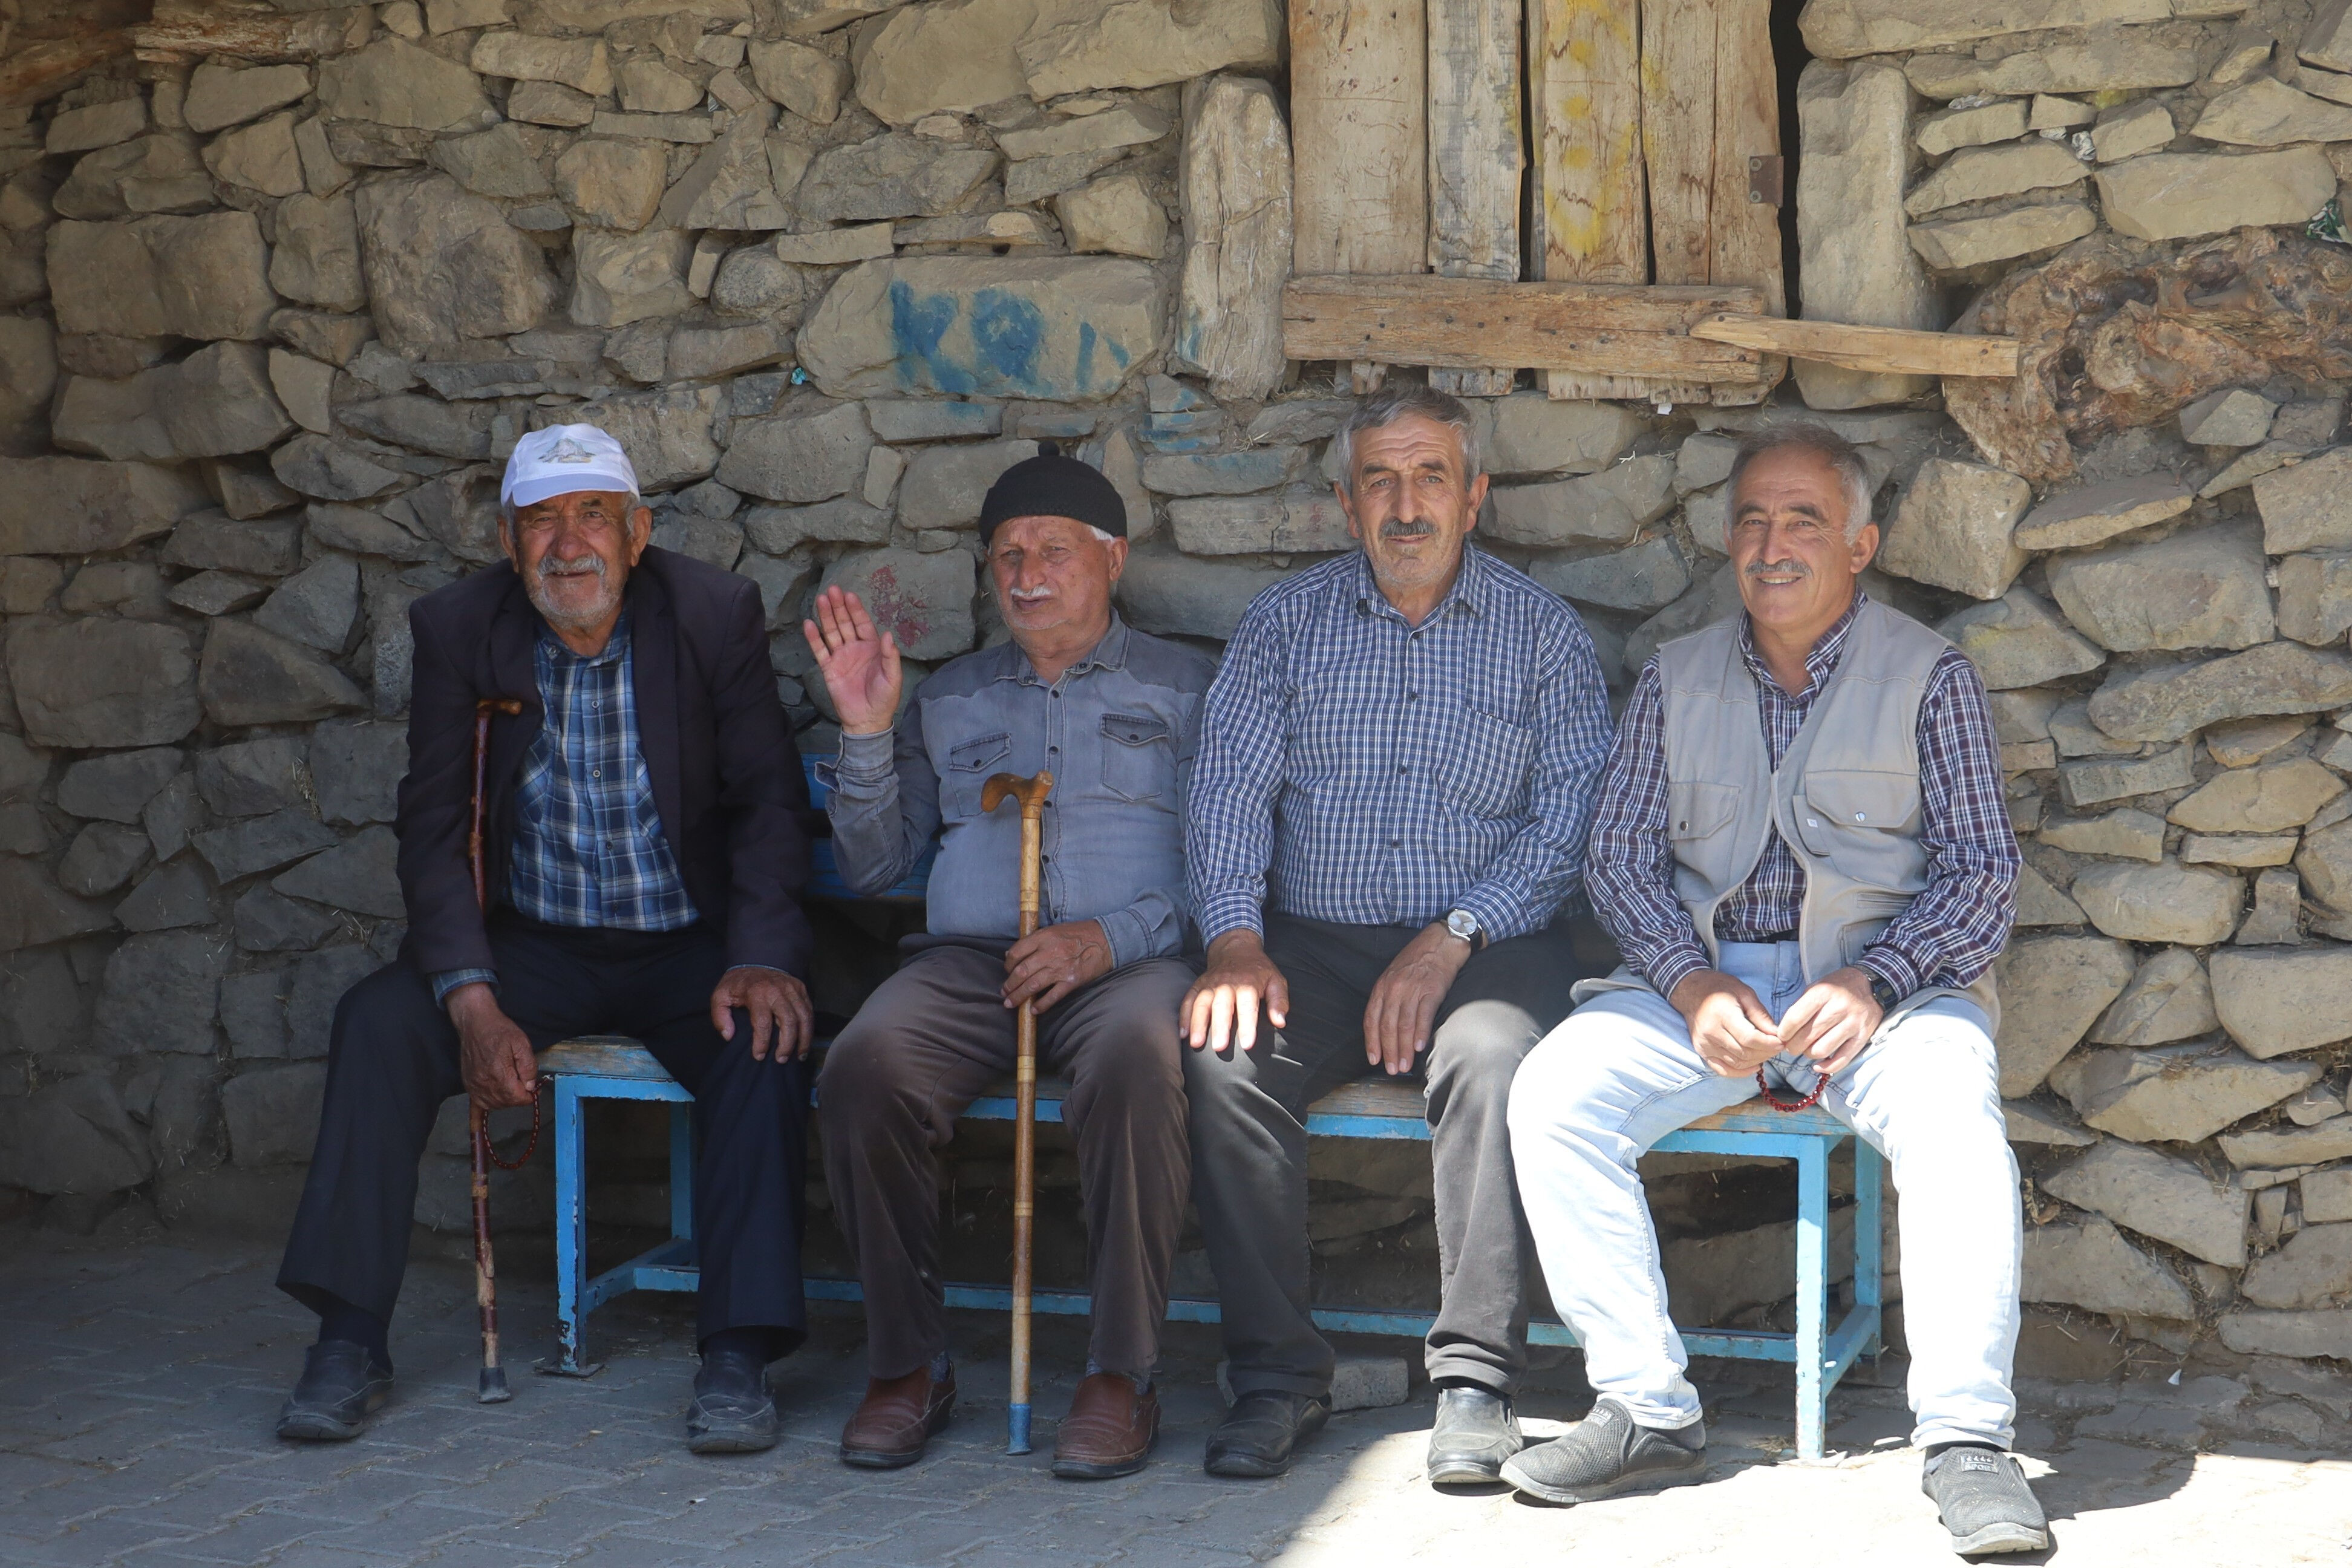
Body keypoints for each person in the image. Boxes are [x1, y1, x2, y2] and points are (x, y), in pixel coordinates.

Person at [1502, 425, 2045, 1557]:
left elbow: (1984, 875)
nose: (1772, 543)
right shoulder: (1676, 677)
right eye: (1752, 519)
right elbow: (1617, 861)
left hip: (1885, 996)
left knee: (1954, 1118)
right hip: (1708, 988)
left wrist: (1878, 979)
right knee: (1553, 1094)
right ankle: (1649, 1409)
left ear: (1862, 544)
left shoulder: (1928, 675)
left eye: (1802, 520)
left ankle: (1968, 1445)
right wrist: (1689, 980)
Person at [273, 424, 815, 1455]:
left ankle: (737, 1358)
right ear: (508, 540)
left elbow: (768, 808)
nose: (570, 544)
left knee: (764, 1041)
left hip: (690, 942)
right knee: (381, 1025)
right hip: (536, 946)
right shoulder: (461, 629)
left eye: (593, 516)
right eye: (542, 522)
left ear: (638, 531)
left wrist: (763, 956)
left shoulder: (711, 615)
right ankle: (347, 1339)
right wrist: (472, 997)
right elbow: (432, 830)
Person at [1180, 383, 1615, 1485]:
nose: (1406, 505)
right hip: (1312, 941)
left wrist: (1453, 934)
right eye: (1382, 480)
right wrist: (1235, 936)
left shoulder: (1541, 634)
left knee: (1490, 1059)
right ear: (1345, 502)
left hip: (1491, 942)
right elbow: (1227, 791)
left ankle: (1475, 1380)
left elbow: (1572, 820)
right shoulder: (1288, 625)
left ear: (1477, 498)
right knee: (1225, 1058)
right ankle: (1279, 1377)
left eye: (1431, 479)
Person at [806, 448, 1213, 1478]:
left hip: (1127, 962)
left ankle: (1120, 1376)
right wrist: (864, 731)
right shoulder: (947, 697)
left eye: (1055, 551)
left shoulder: (1189, 688)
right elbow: (877, 865)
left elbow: (1238, 866)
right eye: (1008, 555)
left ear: (1113, 558)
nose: (1028, 574)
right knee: (865, 1069)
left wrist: (1110, 939)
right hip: (968, 964)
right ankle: (908, 1367)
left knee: (1135, 1059)